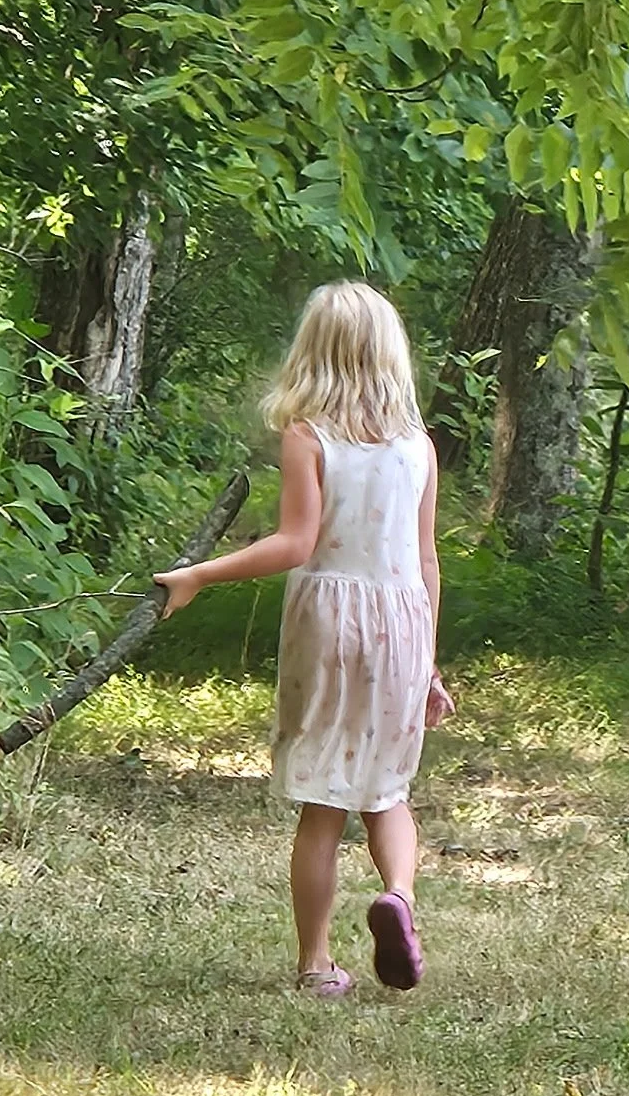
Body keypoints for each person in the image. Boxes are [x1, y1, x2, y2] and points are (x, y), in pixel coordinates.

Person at [155, 281, 454, 998]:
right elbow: (428, 559)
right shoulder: (419, 445)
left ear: (312, 352)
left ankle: (317, 965)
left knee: (325, 803)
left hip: (328, 619)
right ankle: (400, 898)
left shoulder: (308, 435)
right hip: (402, 619)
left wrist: (199, 573)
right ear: (391, 355)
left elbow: (295, 543)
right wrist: (428, 663)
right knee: (389, 792)